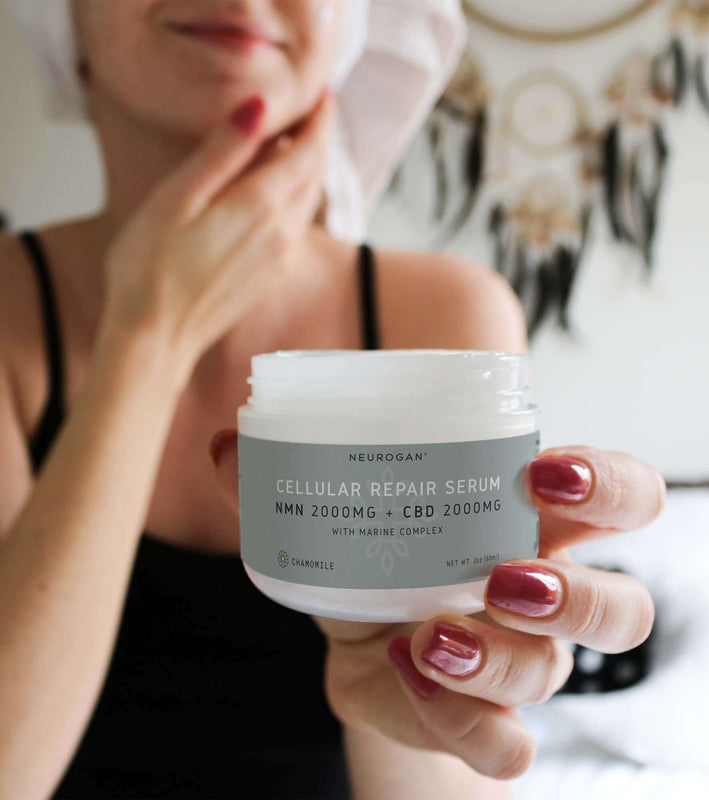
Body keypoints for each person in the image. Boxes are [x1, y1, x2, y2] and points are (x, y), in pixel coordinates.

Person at [0, 1, 666, 797]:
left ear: (347, 34)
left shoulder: (442, 315)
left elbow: (449, 769)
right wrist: (150, 333)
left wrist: (412, 683)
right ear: (65, 29)